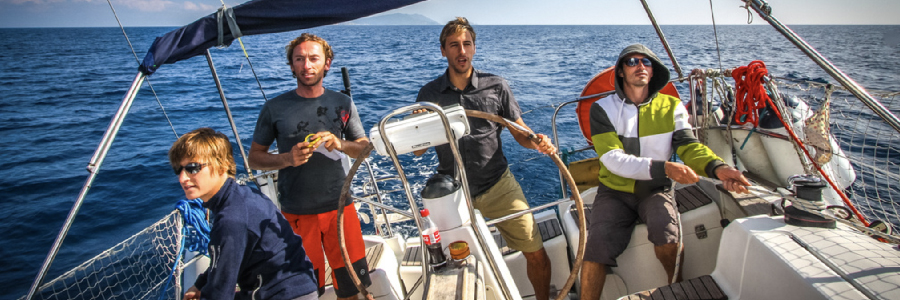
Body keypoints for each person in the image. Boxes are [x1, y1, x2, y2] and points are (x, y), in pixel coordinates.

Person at [579, 44, 750, 299]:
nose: (640, 66)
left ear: (653, 70)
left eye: (646, 62)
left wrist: (720, 168)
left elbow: (690, 147)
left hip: (655, 189)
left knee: (668, 236)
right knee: (595, 249)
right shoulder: (602, 108)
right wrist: (665, 167)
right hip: (615, 191)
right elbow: (612, 159)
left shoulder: (672, 106)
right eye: (632, 61)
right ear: (621, 72)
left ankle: (677, 290)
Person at [414, 17, 557, 300]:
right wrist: (420, 124)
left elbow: (519, 132)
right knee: (448, 263)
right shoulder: (429, 95)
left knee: (536, 253)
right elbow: (418, 150)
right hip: (453, 193)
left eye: (467, 44)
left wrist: (538, 142)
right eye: (454, 45)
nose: (461, 51)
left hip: (497, 185)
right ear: (443, 50)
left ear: (475, 48)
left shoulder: (496, 86)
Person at [248, 33, 372, 300]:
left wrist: (339, 143)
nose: (307, 65)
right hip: (297, 215)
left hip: (341, 210)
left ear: (327, 63)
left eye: (314, 58)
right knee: (305, 292)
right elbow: (255, 158)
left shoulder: (343, 103)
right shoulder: (274, 108)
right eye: (299, 59)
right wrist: (287, 159)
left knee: (351, 288)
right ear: (291, 65)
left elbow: (364, 148)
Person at [172, 128, 318, 300]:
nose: (182, 178)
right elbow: (223, 262)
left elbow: (220, 293)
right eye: (179, 170)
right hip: (295, 286)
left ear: (222, 166)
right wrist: (200, 284)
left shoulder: (231, 219)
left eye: (193, 168)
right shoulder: (242, 195)